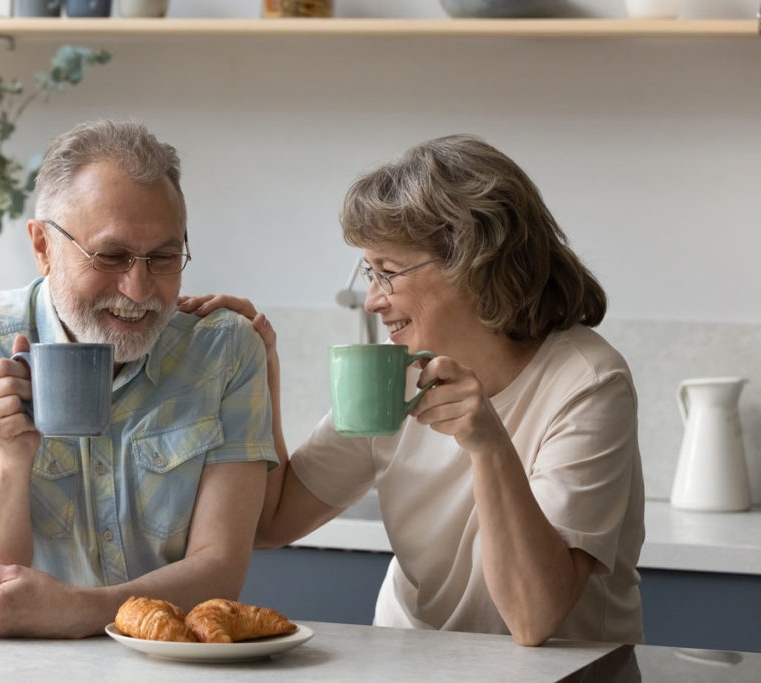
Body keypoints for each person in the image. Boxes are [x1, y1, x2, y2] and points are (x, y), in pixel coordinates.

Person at [180, 134, 645, 647]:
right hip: (412, 662)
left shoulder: (587, 383)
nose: (372, 301)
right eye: (368, 273)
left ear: (475, 265)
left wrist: (489, 444)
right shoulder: (397, 375)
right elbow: (269, 523)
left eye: (388, 273)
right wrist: (259, 367)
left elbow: (533, 618)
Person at [0, 120, 277, 638]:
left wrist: (83, 611)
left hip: (171, 665)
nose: (138, 289)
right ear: (42, 245)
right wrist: (12, 454)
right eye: (110, 257)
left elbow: (222, 568)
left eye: (163, 257)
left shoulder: (223, 348)